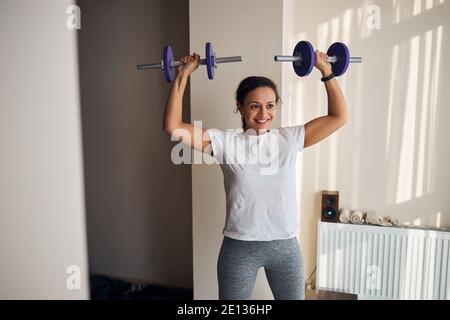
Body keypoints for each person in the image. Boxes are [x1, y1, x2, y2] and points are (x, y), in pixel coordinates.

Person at [163, 51, 348, 300]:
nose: (263, 113)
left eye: (270, 105)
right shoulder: (225, 142)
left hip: (285, 247)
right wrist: (182, 75)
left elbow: (339, 117)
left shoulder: (289, 139)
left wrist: (326, 71)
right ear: (239, 107)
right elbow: (173, 126)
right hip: (239, 248)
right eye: (254, 106)